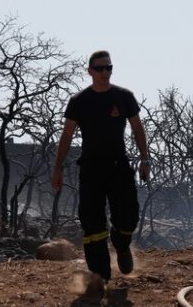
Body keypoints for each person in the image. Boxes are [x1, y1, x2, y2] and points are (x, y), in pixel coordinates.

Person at [51, 50, 149, 283]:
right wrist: (57, 168)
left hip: (119, 167)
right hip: (91, 169)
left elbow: (137, 129)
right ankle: (99, 277)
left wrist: (145, 160)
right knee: (92, 223)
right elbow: (66, 136)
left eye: (109, 68)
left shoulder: (124, 97)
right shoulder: (79, 101)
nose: (105, 72)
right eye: (100, 68)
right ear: (90, 71)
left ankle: (122, 246)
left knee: (128, 218)